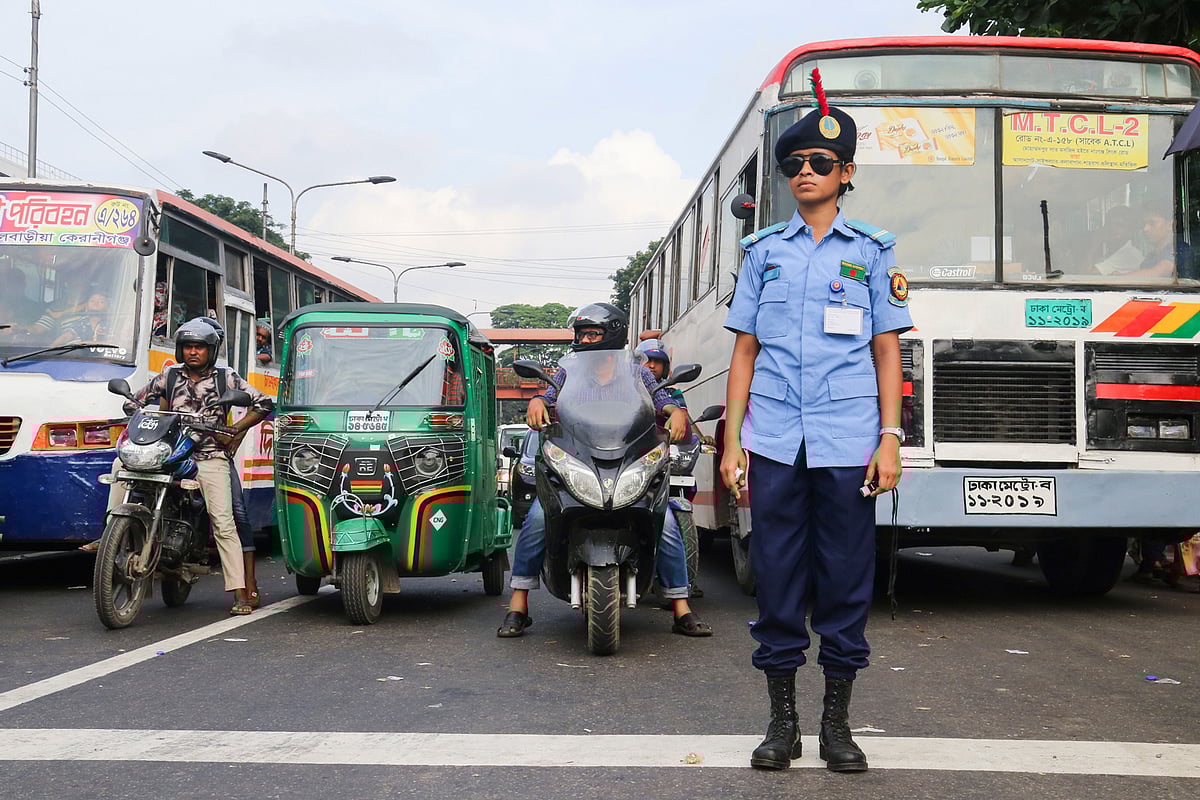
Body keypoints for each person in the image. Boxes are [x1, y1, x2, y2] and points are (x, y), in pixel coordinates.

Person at [719, 74, 912, 774]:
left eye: (820, 164)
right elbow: (744, 351)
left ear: (846, 173)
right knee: (775, 578)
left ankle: (837, 726)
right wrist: (733, 442)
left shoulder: (872, 251)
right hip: (772, 439)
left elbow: (887, 350)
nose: (805, 173)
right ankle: (782, 723)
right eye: (794, 165)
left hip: (848, 441)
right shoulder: (763, 252)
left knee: (844, 579)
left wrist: (890, 439)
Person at [497, 302, 712, 638]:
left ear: (612, 335)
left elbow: (660, 399)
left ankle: (681, 607)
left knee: (666, 522)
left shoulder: (636, 372)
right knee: (539, 518)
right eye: (581, 334)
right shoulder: (569, 372)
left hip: (627, 461)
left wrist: (676, 411)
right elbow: (549, 395)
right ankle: (518, 605)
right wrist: (538, 401)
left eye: (592, 333)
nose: (584, 340)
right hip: (580, 461)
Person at [120, 318, 272, 615]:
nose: (193, 352)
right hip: (169, 453)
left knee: (224, 522)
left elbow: (263, 403)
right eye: (188, 347)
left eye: (199, 348)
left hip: (209, 456)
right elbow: (135, 401)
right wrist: (136, 412)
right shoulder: (169, 376)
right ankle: (114, 532)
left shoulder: (225, 378)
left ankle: (240, 592)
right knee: (121, 466)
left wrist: (235, 429)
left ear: (210, 351)